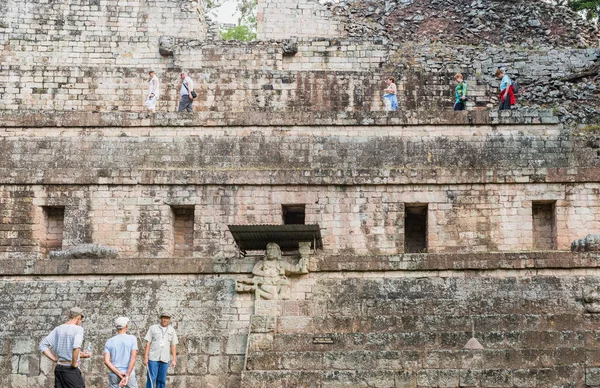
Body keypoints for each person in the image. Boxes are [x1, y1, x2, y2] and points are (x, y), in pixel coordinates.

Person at [39, 307, 92, 388]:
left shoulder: (58, 329)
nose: (81, 320)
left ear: (68, 315)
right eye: (81, 318)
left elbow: (42, 345)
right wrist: (74, 364)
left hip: (59, 369)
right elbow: (76, 347)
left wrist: (55, 359)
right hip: (70, 369)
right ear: (78, 317)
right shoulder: (78, 329)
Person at [236, 242, 309, 300]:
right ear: (266, 252)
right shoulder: (262, 263)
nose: (271, 251)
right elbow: (254, 271)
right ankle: (258, 291)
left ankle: (282, 294)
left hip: (277, 283)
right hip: (266, 283)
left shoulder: (280, 263)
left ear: (278, 252)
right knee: (274, 298)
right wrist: (266, 274)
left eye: (273, 249)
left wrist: (303, 261)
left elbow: (293, 269)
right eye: (269, 249)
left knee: (286, 282)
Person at [143, 312, 178, 388]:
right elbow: (148, 343)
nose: (165, 320)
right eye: (163, 318)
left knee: (161, 380)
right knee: (151, 379)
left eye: (167, 318)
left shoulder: (172, 330)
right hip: (153, 358)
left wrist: (174, 359)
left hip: (165, 358)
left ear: (169, 319)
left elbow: (173, 345)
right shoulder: (153, 328)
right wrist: (145, 357)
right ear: (160, 318)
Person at [104, 317, 138, 388]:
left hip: (114, 374)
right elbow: (133, 358)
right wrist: (127, 375)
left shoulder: (109, 341)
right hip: (129, 374)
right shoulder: (132, 339)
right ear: (126, 326)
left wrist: (118, 373)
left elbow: (106, 361)